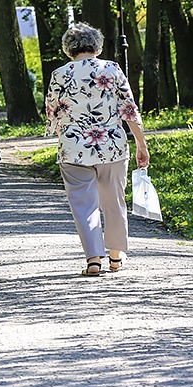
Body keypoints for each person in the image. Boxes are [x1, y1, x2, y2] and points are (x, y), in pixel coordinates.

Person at [44, 22, 150, 277]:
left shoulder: (60, 74)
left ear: (68, 49)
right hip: (111, 146)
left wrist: (64, 135)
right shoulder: (112, 69)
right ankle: (115, 256)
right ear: (97, 46)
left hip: (73, 149)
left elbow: (52, 113)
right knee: (113, 201)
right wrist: (141, 144)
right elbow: (129, 109)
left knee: (84, 206)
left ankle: (93, 259)